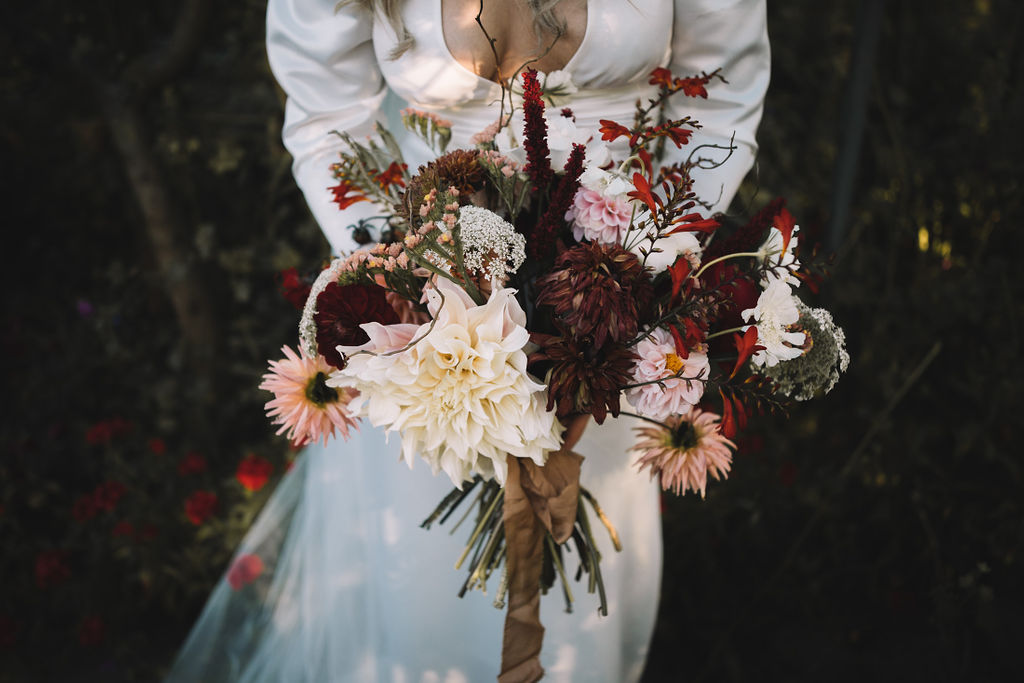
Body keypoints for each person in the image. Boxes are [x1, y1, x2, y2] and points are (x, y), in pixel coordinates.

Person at [165, 1, 769, 681]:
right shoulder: (414, 311)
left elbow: (722, 95)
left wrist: (647, 280)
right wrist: (407, 286)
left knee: (581, 629)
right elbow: (326, 115)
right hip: (425, 354)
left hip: (609, 336)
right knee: (422, 608)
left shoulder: (628, 306)